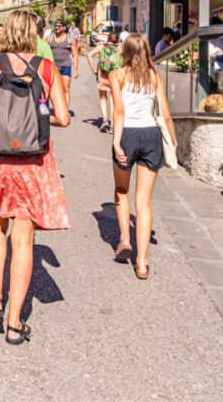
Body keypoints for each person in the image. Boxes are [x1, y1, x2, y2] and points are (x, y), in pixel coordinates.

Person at [0, 10, 70, 344]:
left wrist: (3, 114)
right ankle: (15, 324)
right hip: (33, 160)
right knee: (24, 240)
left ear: (7, 31)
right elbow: (63, 118)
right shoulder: (47, 68)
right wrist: (37, 116)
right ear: (35, 33)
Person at [109, 34, 177, 280]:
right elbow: (166, 114)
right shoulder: (155, 77)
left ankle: (125, 239)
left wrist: (116, 142)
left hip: (127, 134)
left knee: (121, 191)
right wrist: (173, 140)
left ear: (125, 51)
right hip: (151, 136)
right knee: (144, 203)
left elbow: (118, 111)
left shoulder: (117, 75)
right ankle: (142, 263)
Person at [87, 30, 122, 133]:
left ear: (108, 39)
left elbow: (89, 55)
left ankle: (105, 120)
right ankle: (112, 123)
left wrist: (93, 69)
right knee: (113, 99)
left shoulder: (102, 47)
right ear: (117, 40)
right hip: (115, 76)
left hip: (102, 75)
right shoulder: (119, 48)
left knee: (103, 97)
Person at [49, 18, 79, 110]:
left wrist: (75, 69)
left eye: (59, 26)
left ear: (64, 27)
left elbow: (75, 54)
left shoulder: (70, 38)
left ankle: (65, 110)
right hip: (53, 67)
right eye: (56, 26)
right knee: (53, 89)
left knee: (66, 88)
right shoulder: (50, 37)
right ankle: (57, 108)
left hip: (66, 65)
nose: (57, 27)